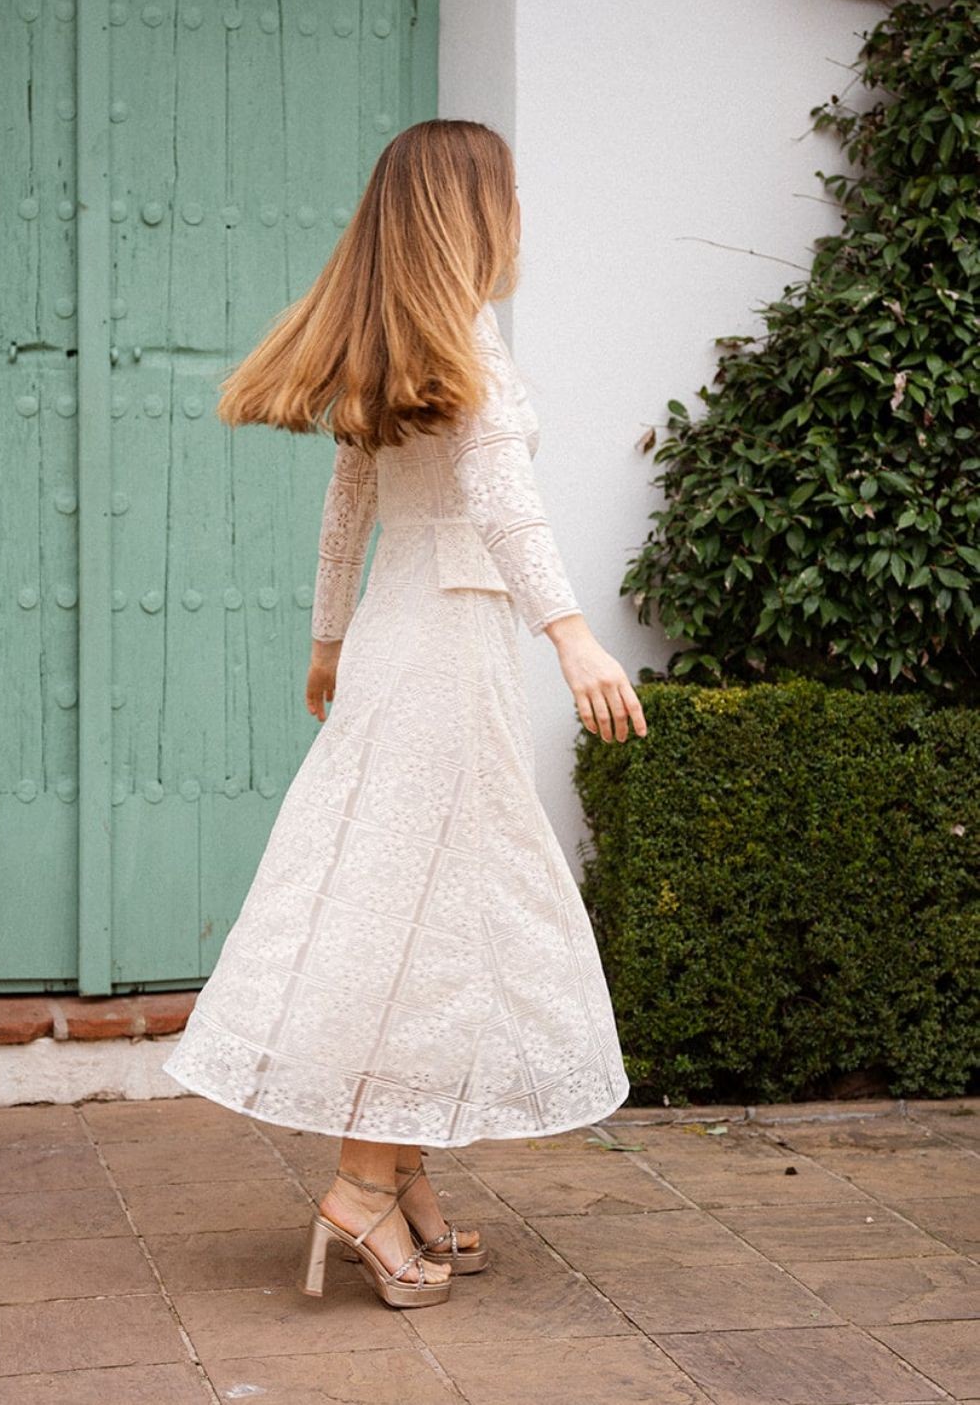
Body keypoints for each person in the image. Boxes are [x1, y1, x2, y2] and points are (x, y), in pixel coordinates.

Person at [162, 118, 646, 1310]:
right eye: (506, 197)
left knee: (416, 899)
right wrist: (571, 633)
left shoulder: (408, 347)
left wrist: (328, 641)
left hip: (401, 634)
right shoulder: (465, 344)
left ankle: (401, 1169)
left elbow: (348, 511)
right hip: (448, 647)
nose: (517, 217)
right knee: (418, 911)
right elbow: (501, 498)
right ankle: (362, 1185)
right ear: (473, 213)